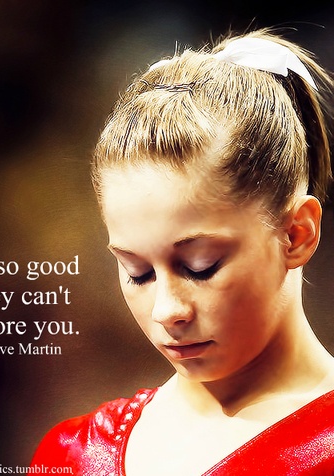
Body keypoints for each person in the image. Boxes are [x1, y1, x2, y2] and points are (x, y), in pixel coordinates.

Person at [30, 28, 334, 475]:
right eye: (137, 272)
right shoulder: (73, 455)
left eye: (200, 266)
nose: (167, 311)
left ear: (296, 234)